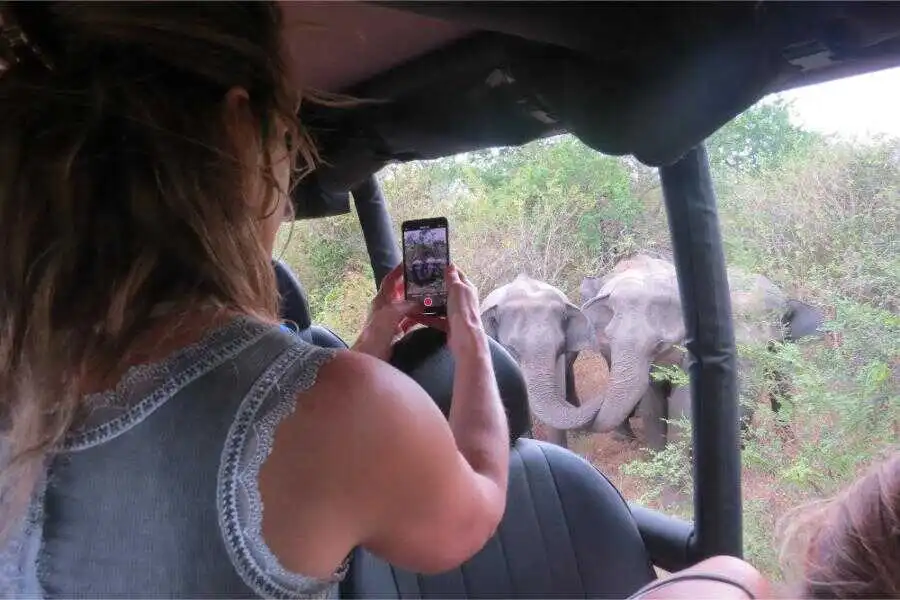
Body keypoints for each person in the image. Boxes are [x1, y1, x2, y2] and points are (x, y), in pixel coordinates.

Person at [0, 3, 508, 598]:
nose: (286, 196)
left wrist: (373, 338)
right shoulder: (348, 412)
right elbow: (475, 510)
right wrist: (472, 341)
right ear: (241, 129)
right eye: (289, 138)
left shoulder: (22, 379)